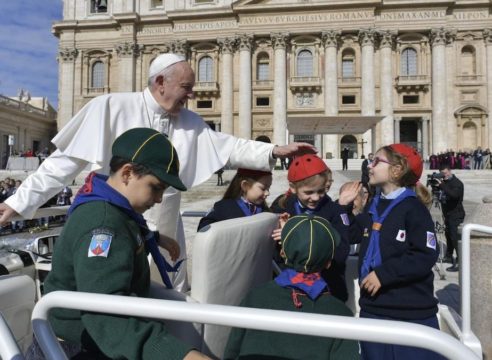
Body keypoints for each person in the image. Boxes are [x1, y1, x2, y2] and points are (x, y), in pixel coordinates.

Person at [0, 53, 315, 292]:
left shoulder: (188, 121)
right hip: (114, 221)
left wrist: (271, 150)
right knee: (116, 288)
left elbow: (226, 147)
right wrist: (18, 202)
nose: (191, 95)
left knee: (169, 290)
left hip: (166, 223)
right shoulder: (110, 107)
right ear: (160, 82)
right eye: (186, 87)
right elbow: (62, 163)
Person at [40, 128, 210, 360]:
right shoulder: (103, 226)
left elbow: (127, 226)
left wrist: (156, 238)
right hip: (78, 346)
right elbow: (106, 312)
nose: (160, 198)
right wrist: (182, 356)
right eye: (156, 187)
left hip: (96, 336)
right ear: (128, 173)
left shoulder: (112, 205)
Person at [223, 214, 359, 360]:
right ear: (328, 263)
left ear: (282, 253)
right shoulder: (340, 313)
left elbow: (231, 352)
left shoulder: (255, 297)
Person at [357, 144, 441, 360]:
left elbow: (425, 254)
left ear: (396, 170)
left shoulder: (413, 208)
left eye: (376, 162)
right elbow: (354, 234)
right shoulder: (373, 205)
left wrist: (383, 274)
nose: (370, 166)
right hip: (374, 308)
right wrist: (342, 207)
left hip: (408, 313)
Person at [271, 154, 352, 302]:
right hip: (288, 291)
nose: (315, 198)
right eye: (308, 192)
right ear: (293, 188)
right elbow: (273, 254)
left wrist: (291, 237)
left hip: (327, 291)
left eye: (321, 191)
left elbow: (341, 252)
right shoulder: (280, 207)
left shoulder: (336, 212)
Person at [198, 168, 272, 231]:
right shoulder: (224, 208)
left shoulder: (265, 210)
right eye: (263, 188)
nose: (267, 193)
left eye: (268, 188)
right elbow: (204, 230)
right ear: (245, 186)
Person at [436, 164, 465, 272]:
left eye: (445, 173)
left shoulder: (457, 183)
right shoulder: (445, 182)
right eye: (442, 173)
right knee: (448, 235)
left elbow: (454, 195)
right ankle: (448, 256)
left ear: (450, 171)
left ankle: (460, 262)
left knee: (455, 237)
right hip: (447, 214)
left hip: (456, 214)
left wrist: (443, 186)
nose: (444, 175)